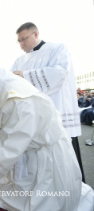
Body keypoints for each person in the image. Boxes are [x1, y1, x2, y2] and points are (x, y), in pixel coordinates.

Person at [0, 61, 94, 211]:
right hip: (19, 152)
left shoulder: (21, 101)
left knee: (42, 201)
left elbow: (8, 148)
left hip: (40, 158)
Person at [10, 22, 85, 183]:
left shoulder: (57, 48)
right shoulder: (19, 60)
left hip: (57, 108)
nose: (21, 44)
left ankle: (70, 188)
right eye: (19, 41)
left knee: (63, 157)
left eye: (24, 39)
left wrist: (26, 75)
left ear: (36, 34)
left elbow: (60, 72)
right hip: (33, 114)